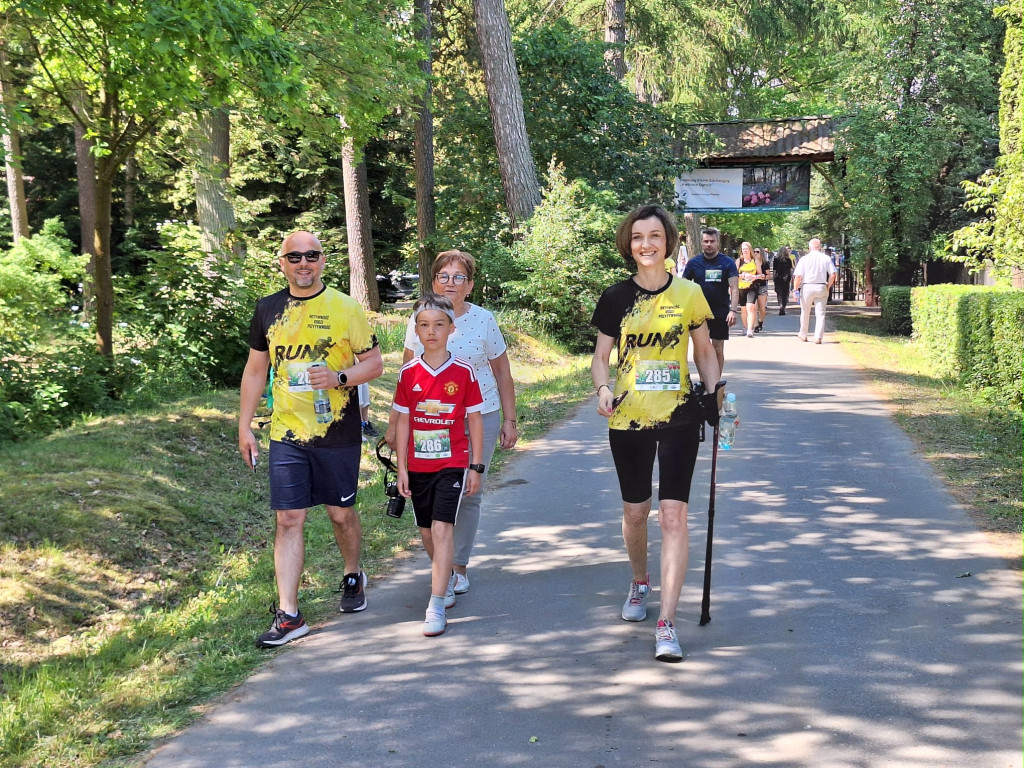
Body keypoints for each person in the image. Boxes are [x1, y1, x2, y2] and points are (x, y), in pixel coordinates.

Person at [238, 230, 384, 648]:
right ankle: (289, 614)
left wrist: (339, 377)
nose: (304, 263)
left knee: (340, 515)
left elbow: (373, 363)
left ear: (323, 261)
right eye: (294, 257)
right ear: (281, 263)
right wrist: (245, 425)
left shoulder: (345, 307)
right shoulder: (267, 309)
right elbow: (254, 371)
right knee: (289, 518)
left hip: (337, 430)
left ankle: (353, 572)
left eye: (312, 256)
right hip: (286, 433)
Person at [591, 205, 722, 663]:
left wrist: (714, 393)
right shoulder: (614, 297)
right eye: (638, 237)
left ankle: (667, 621)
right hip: (627, 418)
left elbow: (704, 352)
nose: (647, 244)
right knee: (635, 512)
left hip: (679, 417)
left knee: (673, 516)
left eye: (655, 237)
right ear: (629, 244)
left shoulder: (689, 294)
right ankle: (640, 581)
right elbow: (601, 357)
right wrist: (603, 388)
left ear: (668, 242)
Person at [386, 249, 518, 595]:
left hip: (480, 416)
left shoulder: (484, 320)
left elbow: (503, 372)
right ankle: (441, 565)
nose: (450, 283)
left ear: (470, 285)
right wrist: (393, 424)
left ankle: (458, 566)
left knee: (470, 491)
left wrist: (510, 419)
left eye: (459, 277)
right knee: (429, 492)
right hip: (430, 423)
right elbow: (405, 376)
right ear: (434, 281)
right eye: (444, 276)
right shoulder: (420, 319)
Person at [392, 294, 484, 636]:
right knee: (427, 532)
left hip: (452, 462)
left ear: (451, 329)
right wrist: (401, 467)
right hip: (417, 465)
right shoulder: (407, 373)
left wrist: (475, 465)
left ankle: (435, 603)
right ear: (416, 331)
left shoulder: (463, 371)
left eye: (439, 325)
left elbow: (474, 417)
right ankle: (444, 578)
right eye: (424, 325)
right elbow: (402, 422)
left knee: (444, 528)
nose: (431, 332)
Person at [682, 227, 739, 373]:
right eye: (706, 241)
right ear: (701, 243)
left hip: (720, 311)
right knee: (700, 348)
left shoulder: (727, 262)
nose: (709, 244)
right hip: (698, 312)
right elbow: (684, 287)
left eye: (712, 241)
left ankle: (716, 385)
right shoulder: (694, 263)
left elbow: (734, 287)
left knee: (717, 347)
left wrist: (733, 310)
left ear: (717, 243)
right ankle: (703, 381)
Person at [793, 237, 837, 344]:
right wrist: (828, 286)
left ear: (810, 247)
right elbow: (833, 274)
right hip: (821, 286)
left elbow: (798, 276)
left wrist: (795, 289)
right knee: (820, 313)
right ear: (820, 247)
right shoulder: (826, 258)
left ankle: (803, 334)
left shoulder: (804, 259)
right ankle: (818, 337)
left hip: (807, 287)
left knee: (805, 312)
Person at [735, 242, 761, 338]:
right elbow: (734, 274)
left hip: (752, 286)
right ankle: (745, 327)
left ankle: (750, 330)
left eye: (746, 249)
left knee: (750, 307)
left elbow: (761, 275)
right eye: (743, 249)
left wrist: (754, 276)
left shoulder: (755, 261)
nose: (745, 250)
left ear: (750, 250)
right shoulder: (739, 261)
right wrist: (741, 275)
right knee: (743, 309)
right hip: (741, 286)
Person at [773, 246, 794, 315]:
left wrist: (774, 278)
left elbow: (774, 270)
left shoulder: (776, 260)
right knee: (785, 292)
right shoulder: (788, 260)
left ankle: (780, 305)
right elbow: (791, 270)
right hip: (786, 278)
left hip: (778, 277)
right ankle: (784, 306)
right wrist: (792, 278)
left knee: (779, 292)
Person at [753, 247, 770, 332]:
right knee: (754, 307)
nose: (755, 253)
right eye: (754, 251)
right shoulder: (751, 263)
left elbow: (768, 275)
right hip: (752, 286)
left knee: (762, 309)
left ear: (761, 253)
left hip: (762, 286)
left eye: (757, 252)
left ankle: (760, 322)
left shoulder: (765, 263)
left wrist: (763, 277)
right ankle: (756, 326)